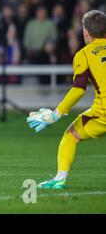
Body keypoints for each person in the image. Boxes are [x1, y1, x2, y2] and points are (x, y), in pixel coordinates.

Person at [27, 10, 106, 189]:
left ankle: (59, 179)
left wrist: (57, 113)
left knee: (71, 135)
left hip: (103, 113)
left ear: (85, 32)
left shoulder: (84, 54)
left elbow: (78, 90)